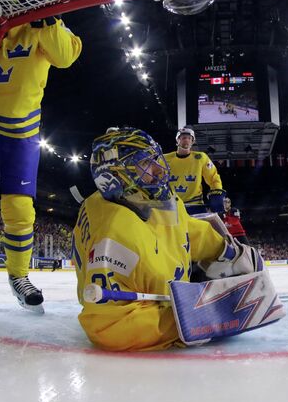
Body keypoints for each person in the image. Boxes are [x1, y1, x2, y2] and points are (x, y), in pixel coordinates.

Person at [71, 128, 265, 351]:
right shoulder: (114, 232)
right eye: (144, 164)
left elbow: (184, 228)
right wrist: (193, 319)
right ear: (115, 176)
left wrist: (227, 250)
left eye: (155, 159)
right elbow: (109, 325)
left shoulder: (143, 197)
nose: (159, 169)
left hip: (161, 289)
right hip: (143, 311)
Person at [0, 14, 82, 312]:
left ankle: (19, 276)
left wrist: (46, 20)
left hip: (22, 130)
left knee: (19, 208)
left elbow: (65, 56)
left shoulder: (42, 23)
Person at [164, 127, 226, 215]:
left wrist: (217, 192)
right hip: (172, 206)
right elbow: (155, 180)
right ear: (177, 140)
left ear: (193, 141)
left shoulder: (201, 158)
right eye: (183, 138)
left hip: (195, 205)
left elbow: (213, 177)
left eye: (189, 138)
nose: (186, 140)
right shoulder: (164, 159)